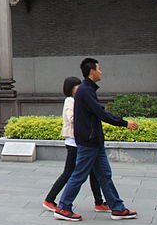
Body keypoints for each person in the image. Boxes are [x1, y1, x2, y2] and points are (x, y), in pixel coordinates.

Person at [54, 58, 139, 221]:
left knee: (105, 174)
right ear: (92, 71)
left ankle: (117, 207)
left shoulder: (87, 90)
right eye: (99, 69)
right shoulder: (85, 91)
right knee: (79, 174)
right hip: (89, 141)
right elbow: (101, 113)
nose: (101, 71)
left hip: (94, 141)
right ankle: (63, 207)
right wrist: (124, 123)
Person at [43, 77, 108, 213]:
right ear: (71, 88)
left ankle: (99, 202)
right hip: (74, 143)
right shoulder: (70, 101)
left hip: (83, 142)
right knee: (69, 173)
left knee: (93, 173)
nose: (80, 88)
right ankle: (49, 199)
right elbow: (71, 117)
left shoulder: (78, 100)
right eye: (77, 86)